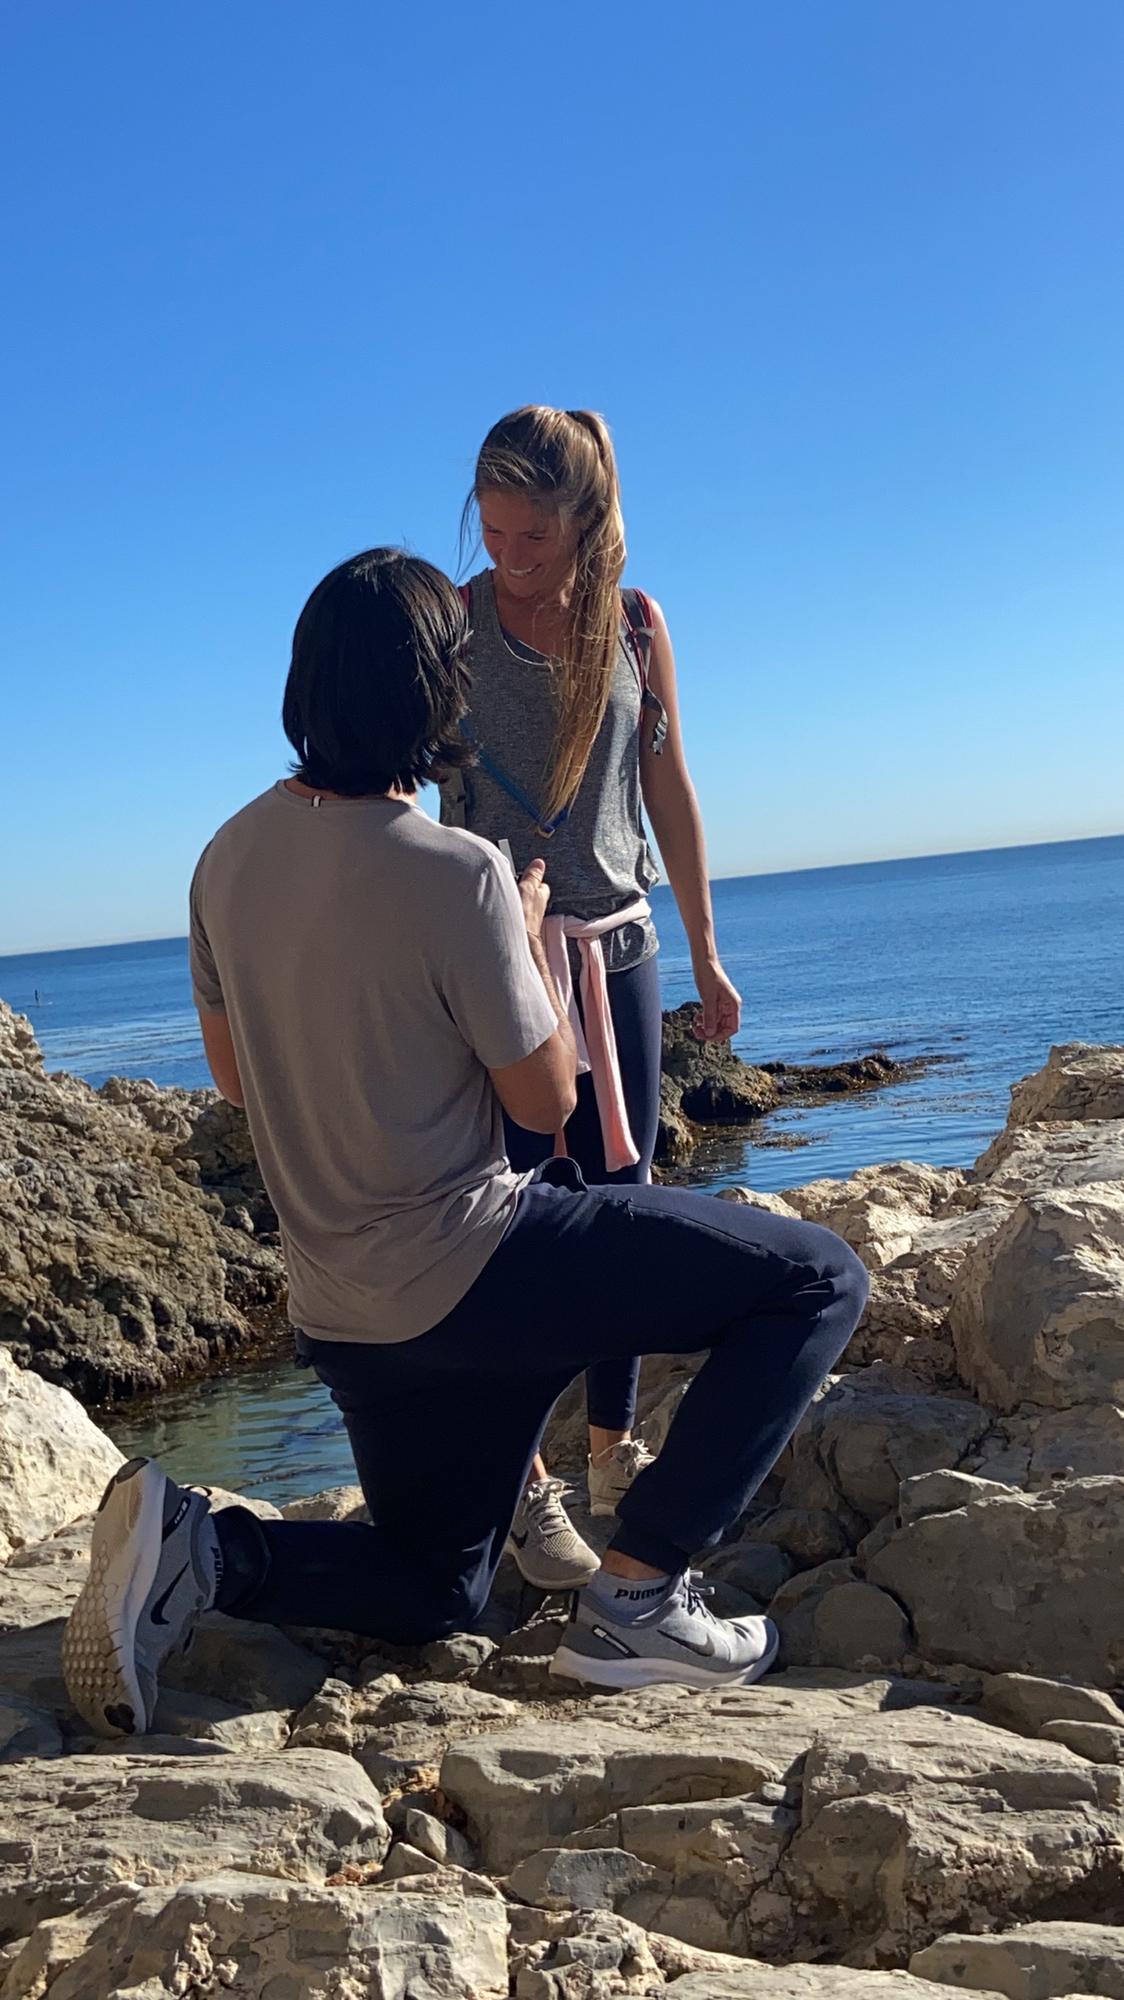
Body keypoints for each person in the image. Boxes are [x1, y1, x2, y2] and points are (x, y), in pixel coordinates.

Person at [62, 548, 868, 1741]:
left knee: (437, 1585)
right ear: (442, 692)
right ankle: (640, 1595)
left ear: (304, 681)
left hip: (346, 1315)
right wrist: (530, 943)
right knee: (815, 1279)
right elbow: (544, 1101)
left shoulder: (222, 859)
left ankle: (203, 1549)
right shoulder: (458, 873)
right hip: (479, 1271)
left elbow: (234, 1079)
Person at [444, 406, 744, 1592]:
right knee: (512, 1218)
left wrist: (706, 951)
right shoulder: (453, 623)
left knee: (624, 1199)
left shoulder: (635, 624)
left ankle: (613, 1449)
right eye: (493, 532)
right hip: (499, 957)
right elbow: (412, 795)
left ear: (585, 516)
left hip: (620, 948)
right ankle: (523, 1484)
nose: (510, 557)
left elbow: (667, 786)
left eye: (532, 534)